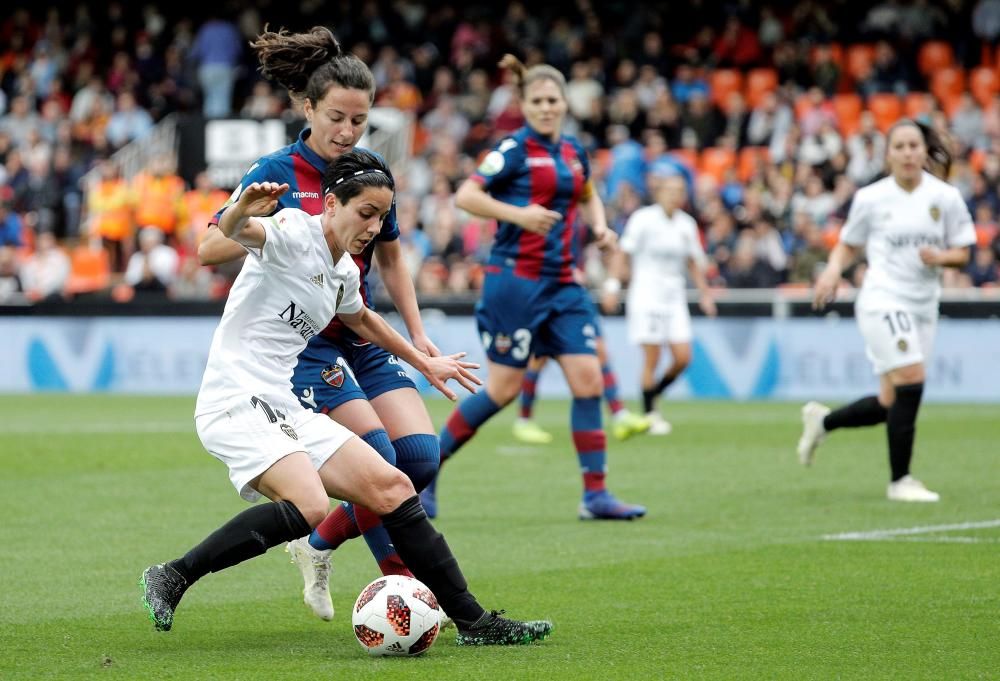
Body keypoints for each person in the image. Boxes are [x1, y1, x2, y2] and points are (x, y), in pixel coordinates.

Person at [140, 150, 552, 647]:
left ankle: (475, 623)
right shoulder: (293, 230)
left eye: (381, 216)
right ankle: (173, 575)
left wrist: (424, 361)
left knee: (393, 486)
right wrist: (241, 208)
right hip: (235, 397)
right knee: (311, 504)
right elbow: (228, 236)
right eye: (366, 213)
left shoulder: (344, 271)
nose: (374, 226)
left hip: (282, 401)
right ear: (331, 203)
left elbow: (361, 319)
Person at [198, 27, 446, 622]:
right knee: (379, 456)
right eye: (337, 117)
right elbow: (210, 248)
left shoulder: (368, 168)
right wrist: (251, 221)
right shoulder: (277, 170)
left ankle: (319, 544)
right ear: (307, 108)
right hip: (308, 345)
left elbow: (390, 255)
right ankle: (405, 597)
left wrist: (418, 335)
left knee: (420, 455)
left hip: (359, 325)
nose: (347, 132)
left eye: (359, 121)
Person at [420, 54, 646, 521]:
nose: (546, 107)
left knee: (587, 381)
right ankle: (425, 473)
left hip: (563, 282)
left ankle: (596, 495)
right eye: (537, 100)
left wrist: (600, 228)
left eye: (553, 99)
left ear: (565, 103)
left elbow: (587, 193)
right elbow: (467, 195)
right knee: (502, 389)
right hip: (515, 282)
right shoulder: (514, 150)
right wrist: (519, 215)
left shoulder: (572, 151)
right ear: (523, 105)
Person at [798, 119, 975, 502]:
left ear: (924, 152)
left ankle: (823, 422)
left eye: (914, 146)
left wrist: (941, 256)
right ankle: (901, 481)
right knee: (912, 377)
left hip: (924, 304)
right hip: (883, 298)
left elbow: (963, 252)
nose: (909, 153)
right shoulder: (871, 198)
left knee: (891, 402)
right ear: (888, 154)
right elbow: (848, 244)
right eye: (900, 146)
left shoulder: (945, 198)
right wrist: (831, 271)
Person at [602, 170, 717, 435]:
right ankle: (651, 413)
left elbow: (692, 261)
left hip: (674, 297)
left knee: (682, 357)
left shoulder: (686, 224)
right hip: (646, 295)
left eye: (680, 191)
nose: (676, 196)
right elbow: (623, 254)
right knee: (652, 357)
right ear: (659, 192)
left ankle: (653, 394)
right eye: (671, 190)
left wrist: (705, 294)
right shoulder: (643, 219)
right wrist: (612, 285)